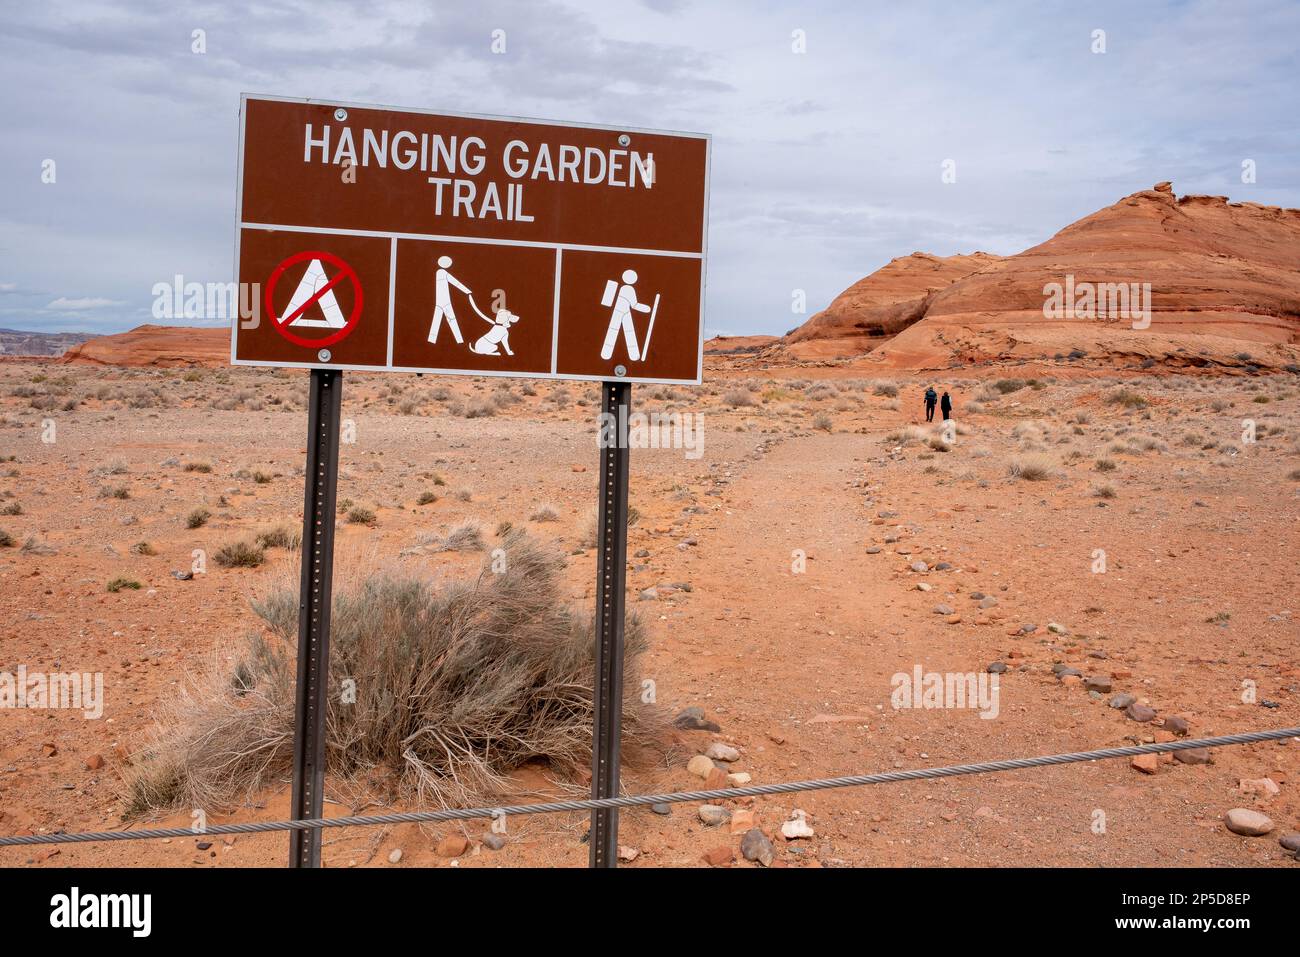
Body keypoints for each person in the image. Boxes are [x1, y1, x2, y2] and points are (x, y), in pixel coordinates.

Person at [600, 269, 652, 361]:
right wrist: (646, 309)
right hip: (622, 312)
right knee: (628, 332)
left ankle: (607, 354)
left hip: (618, 311)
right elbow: (634, 305)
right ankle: (633, 356)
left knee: (614, 331)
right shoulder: (629, 289)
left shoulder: (621, 287)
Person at [428, 255, 471, 345]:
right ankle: (459, 341)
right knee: (451, 319)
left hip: (441, 301)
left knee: (438, 320)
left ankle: (432, 340)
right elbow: (455, 282)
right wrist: (467, 291)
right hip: (444, 301)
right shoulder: (442, 272)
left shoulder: (439, 272)